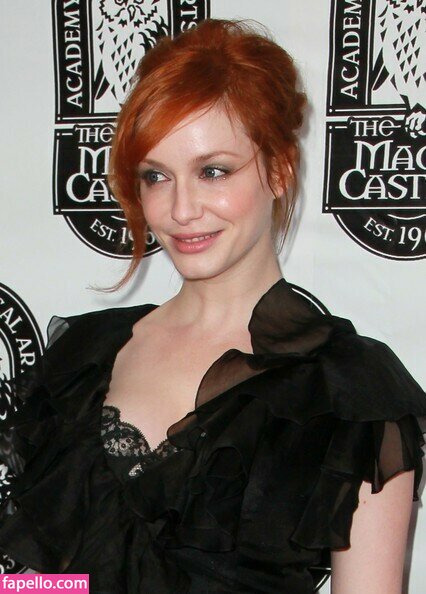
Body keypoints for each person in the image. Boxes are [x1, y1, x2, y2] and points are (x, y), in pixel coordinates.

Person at [0, 18, 425, 594]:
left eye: (213, 171)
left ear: (279, 169)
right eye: (156, 176)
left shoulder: (352, 392)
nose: (181, 209)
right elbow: (44, 581)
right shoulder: (80, 360)